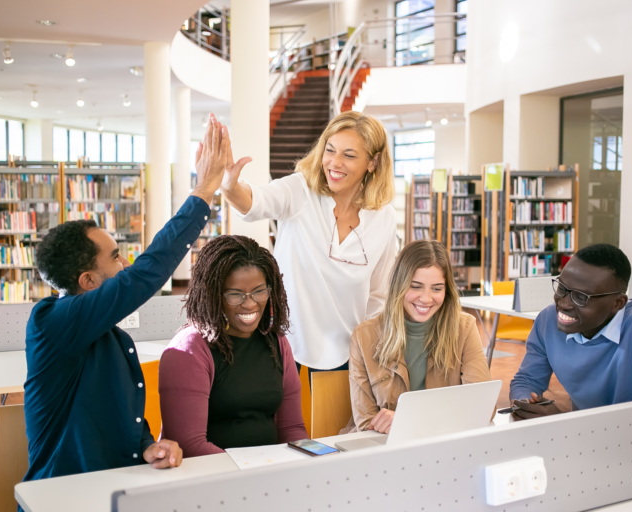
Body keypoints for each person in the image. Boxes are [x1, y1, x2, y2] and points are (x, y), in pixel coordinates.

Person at [22, 114, 229, 487]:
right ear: (87, 281)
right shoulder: (51, 322)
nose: (126, 264)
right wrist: (204, 191)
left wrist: (146, 446)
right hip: (63, 494)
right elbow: (145, 274)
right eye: (115, 257)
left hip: (115, 487)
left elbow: (117, 412)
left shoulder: (110, 335)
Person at [221, 111, 398, 374]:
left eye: (349, 155)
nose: (335, 163)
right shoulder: (300, 191)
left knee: (335, 417)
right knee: (276, 415)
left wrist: (370, 351)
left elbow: (378, 295)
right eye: (330, 150)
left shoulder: (384, 218)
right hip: (282, 342)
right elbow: (257, 201)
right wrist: (230, 187)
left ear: (372, 163)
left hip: (346, 351)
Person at [158, 235, 308, 456]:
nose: (249, 304)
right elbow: (189, 445)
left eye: (259, 291)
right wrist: (252, 472)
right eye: (235, 295)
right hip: (212, 478)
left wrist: (311, 459)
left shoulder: (276, 342)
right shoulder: (189, 349)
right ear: (213, 295)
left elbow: (291, 428)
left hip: (267, 472)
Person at [509, 243, 632, 420]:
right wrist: (526, 403)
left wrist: (562, 423)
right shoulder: (547, 320)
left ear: (618, 303)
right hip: (585, 441)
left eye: (581, 297)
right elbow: (527, 380)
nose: (564, 303)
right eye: (562, 289)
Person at [347, 240, 492, 433]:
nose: (426, 298)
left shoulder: (464, 328)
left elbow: (483, 407)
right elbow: (366, 423)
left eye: (437, 288)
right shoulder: (364, 337)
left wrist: (409, 420)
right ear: (399, 285)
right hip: (385, 448)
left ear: (447, 291)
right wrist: (438, 419)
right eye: (416, 286)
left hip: (443, 444)